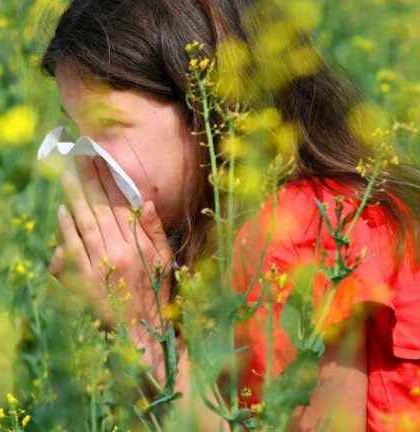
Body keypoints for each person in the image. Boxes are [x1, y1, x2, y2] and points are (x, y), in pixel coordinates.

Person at [40, 0, 420, 430]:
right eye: (76, 130)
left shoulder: (298, 231)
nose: (87, 160)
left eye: (107, 127)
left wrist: (142, 336)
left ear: (209, 111)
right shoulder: (207, 233)